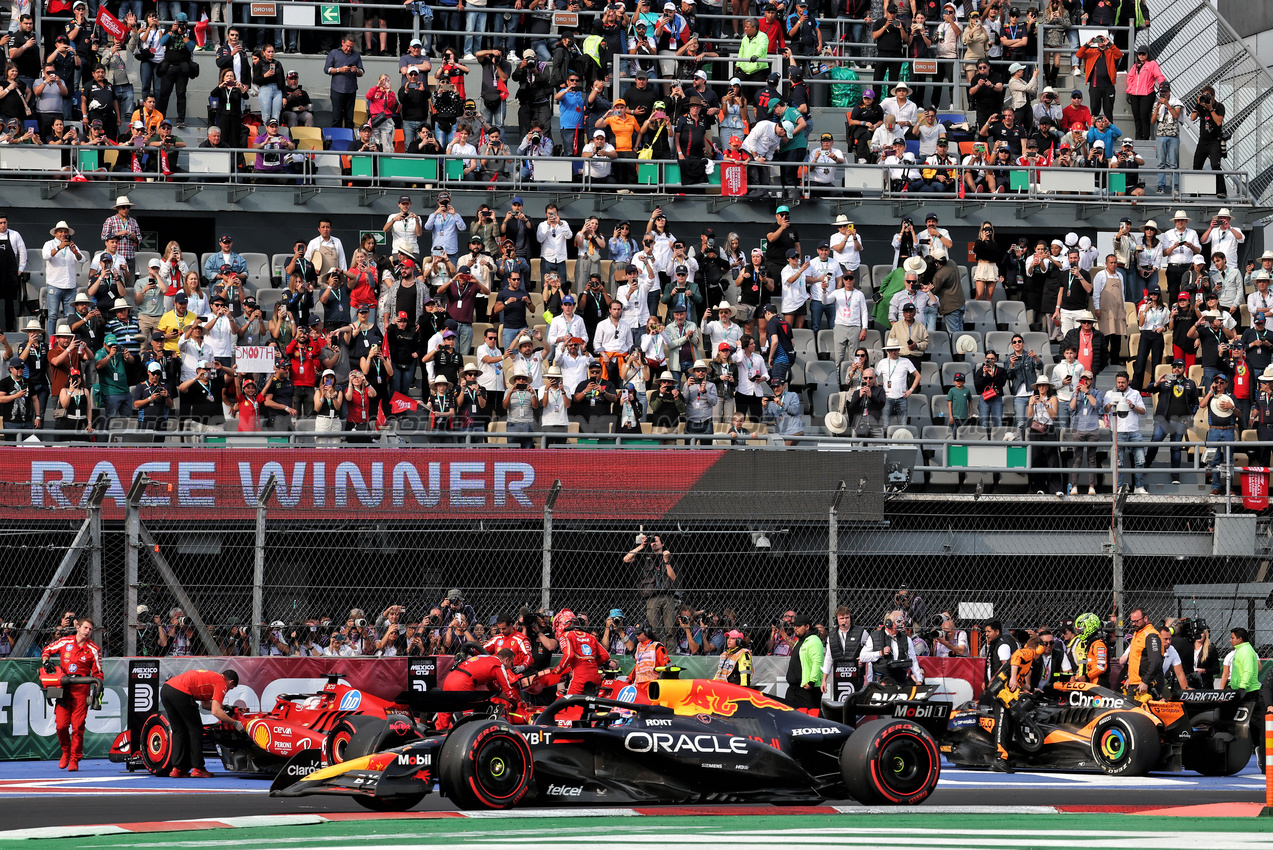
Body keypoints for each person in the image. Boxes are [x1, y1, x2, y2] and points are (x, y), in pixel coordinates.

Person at [40, 616, 102, 771]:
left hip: (81, 690)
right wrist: (46, 661)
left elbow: (98, 674)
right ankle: (66, 752)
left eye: (90, 629)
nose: (87, 631)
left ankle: (75, 758)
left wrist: (96, 692)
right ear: (78, 627)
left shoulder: (94, 649)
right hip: (62, 689)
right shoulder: (65, 641)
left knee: (78, 726)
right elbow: (46, 650)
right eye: (85, 628)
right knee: (61, 726)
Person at [161, 668, 242, 777]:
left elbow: (205, 705)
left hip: (167, 689)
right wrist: (235, 723)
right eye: (231, 688)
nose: (228, 690)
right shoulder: (221, 683)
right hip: (181, 692)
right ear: (230, 682)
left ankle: (178, 769)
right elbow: (216, 711)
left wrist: (226, 707)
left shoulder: (212, 677)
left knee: (179, 731)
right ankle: (198, 768)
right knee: (196, 731)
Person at [859, 609, 923, 686]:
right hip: (881, 682)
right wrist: (879, 653)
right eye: (898, 622)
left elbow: (913, 660)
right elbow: (862, 657)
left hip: (901, 681)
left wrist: (919, 680)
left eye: (902, 622)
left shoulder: (906, 639)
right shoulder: (874, 637)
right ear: (888, 623)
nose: (902, 625)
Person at [552, 617, 613, 696]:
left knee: (569, 704)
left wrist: (558, 670)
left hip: (580, 677)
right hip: (595, 677)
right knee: (589, 705)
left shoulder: (566, 635)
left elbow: (569, 655)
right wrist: (591, 664)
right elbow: (605, 656)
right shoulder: (591, 637)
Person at [821, 605, 870, 702]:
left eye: (847, 618)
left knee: (856, 703)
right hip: (840, 676)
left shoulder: (861, 632)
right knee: (840, 703)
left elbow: (870, 648)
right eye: (842, 618)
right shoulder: (832, 635)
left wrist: (862, 659)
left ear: (851, 618)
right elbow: (828, 658)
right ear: (837, 620)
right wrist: (824, 680)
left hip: (856, 675)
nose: (844, 621)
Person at [442, 647, 522, 705]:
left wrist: (508, 699)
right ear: (506, 660)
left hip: (449, 679)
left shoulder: (486, 658)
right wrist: (519, 701)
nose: (511, 667)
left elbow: (493, 688)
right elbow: (509, 692)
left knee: (445, 715)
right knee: (472, 715)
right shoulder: (498, 666)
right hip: (463, 684)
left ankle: (439, 728)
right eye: (511, 663)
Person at [1189, 85, 1226, 198]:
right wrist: (1199, 104)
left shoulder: (1219, 106)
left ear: (1213, 96)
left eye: (1208, 96)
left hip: (1214, 140)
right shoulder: (1201, 106)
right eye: (1205, 95)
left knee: (1215, 165)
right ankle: (1195, 191)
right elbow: (1192, 118)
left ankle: (1221, 191)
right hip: (1203, 141)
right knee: (1197, 165)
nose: (1207, 98)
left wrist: (1210, 108)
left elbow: (1219, 122)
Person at [783, 614, 823, 710]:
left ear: (807, 627)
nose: (795, 628)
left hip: (807, 689)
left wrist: (811, 682)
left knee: (810, 719)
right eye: (794, 626)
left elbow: (817, 662)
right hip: (794, 689)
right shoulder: (800, 641)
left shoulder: (814, 640)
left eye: (798, 626)